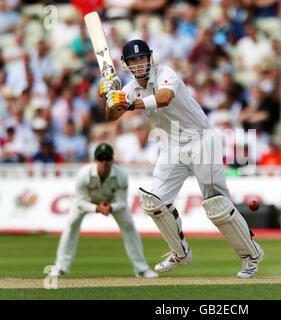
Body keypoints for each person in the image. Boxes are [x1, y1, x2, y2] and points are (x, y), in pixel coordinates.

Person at [98, 39, 264, 278]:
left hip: (201, 140)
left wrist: (130, 103)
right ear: (126, 65)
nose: (139, 64)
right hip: (173, 145)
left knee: (216, 204)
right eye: (133, 61)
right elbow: (112, 115)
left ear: (150, 58)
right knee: (153, 201)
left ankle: (251, 256)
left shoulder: (166, 73)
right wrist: (109, 96)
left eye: (142, 58)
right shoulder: (130, 89)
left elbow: (164, 97)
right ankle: (180, 252)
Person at [50, 143, 158, 278]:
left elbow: (122, 202)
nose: (104, 162)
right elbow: (80, 201)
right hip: (88, 201)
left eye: (107, 159)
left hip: (112, 202)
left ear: (112, 160)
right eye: (101, 159)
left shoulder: (121, 174)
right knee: (71, 226)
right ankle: (60, 267)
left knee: (129, 226)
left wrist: (110, 208)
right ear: (95, 160)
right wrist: (97, 208)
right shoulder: (84, 174)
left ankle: (142, 269)